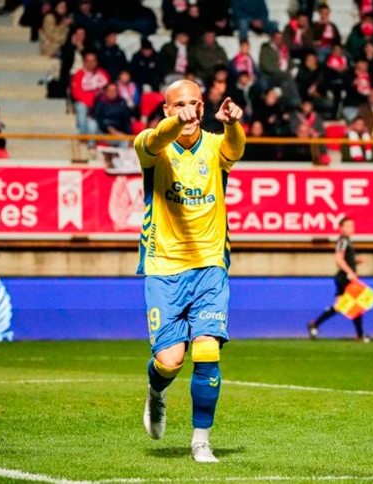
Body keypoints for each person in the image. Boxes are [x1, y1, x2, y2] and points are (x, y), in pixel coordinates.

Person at [134, 79, 245, 464]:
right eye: (179, 104)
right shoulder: (152, 147)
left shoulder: (214, 146)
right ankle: (156, 390)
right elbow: (154, 139)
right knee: (170, 361)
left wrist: (232, 124)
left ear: (202, 107)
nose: (188, 111)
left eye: (194, 104)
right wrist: (175, 123)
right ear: (166, 110)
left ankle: (201, 441)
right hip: (163, 266)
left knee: (207, 351)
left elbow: (236, 148)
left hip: (210, 265)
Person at [307, 217, 369, 342]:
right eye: (347, 226)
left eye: (352, 226)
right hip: (344, 278)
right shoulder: (342, 241)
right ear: (340, 228)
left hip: (342, 277)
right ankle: (360, 335)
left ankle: (315, 324)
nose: (351, 229)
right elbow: (338, 259)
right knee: (356, 304)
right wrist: (350, 272)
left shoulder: (347, 241)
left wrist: (356, 261)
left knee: (340, 306)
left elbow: (344, 259)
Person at [71, 52, 107, 148]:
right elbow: (76, 93)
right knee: (81, 107)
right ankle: (82, 135)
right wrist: (90, 101)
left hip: (100, 105)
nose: (91, 63)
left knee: (92, 125)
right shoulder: (79, 74)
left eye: (93, 61)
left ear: (96, 62)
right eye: (88, 61)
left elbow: (108, 90)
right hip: (85, 104)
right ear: (84, 62)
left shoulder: (102, 73)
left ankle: (91, 146)